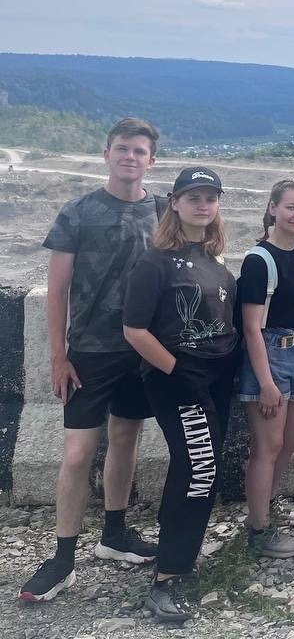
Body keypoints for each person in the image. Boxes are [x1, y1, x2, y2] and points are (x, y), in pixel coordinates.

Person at [21, 118, 163, 604]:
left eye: (139, 151)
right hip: (89, 352)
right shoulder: (78, 213)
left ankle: (115, 534)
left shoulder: (162, 211)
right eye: (122, 148)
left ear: (151, 160)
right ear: (107, 154)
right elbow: (57, 290)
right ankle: (62, 559)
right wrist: (58, 356)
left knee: (126, 439)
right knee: (78, 453)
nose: (130, 157)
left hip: (140, 351)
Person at [121, 167, 240, 624]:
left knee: (198, 469)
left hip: (217, 379)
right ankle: (166, 578)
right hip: (177, 380)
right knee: (200, 468)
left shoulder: (213, 259)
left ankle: (177, 554)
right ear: (175, 202)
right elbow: (134, 329)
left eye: (211, 197)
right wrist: (177, 369)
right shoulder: (154, 262)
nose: (203, 205)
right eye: (194, 197)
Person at [237, 179, 294, 560]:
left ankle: (265, 504)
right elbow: (251, 328)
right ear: (272, 208)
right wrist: (266, 383)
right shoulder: (259, 261)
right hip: (271, 355)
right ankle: (258, 530)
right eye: (291, 207)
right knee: (266, 446)